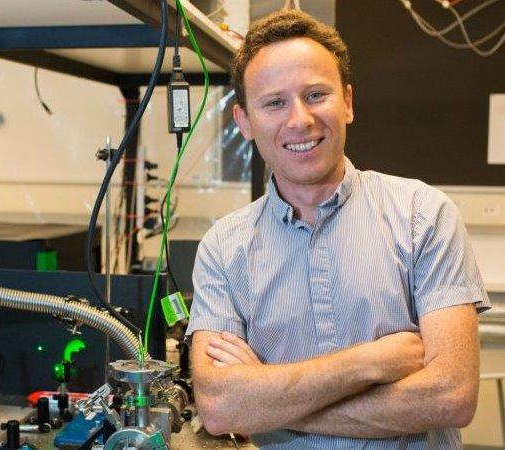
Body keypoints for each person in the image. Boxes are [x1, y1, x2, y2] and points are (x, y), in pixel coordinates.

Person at [185, 8, 490, 449]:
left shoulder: (422, 215)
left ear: (347, 102)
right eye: (274, 103)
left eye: (315, 95)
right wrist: (370, 362)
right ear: (245, 122)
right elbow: (219, 407)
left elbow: (451, 397)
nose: (300, 120)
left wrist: (270, 404)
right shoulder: (224, 248)